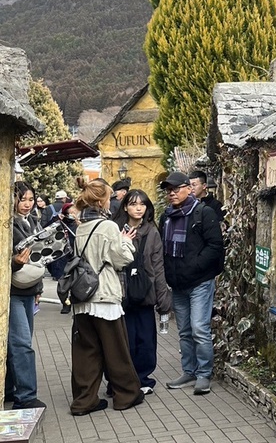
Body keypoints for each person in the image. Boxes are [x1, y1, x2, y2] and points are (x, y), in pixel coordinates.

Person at [69, 177, 144, 416]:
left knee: (86, 353)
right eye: (109, 198)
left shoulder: (81, 228)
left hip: (83, 297)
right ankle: (126, 395)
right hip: (104, 295)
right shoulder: (108, 226)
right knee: (116, 349)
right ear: (101, 201)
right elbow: (121, 259)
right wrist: (127, 242)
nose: (111, 202)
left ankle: (84, 400)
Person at [159, 171, 224, 395]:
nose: (172, 193)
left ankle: (204, 374)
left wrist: (195, 266)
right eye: (169, 190)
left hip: (200, 282)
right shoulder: (166, 217)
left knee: (199, 329)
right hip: (177, 284)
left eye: (176, 189)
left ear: (188, 188)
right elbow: (163, 249)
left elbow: (215, 246)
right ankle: (189, 371)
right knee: (185, 331)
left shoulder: (203, 213)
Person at [112, 189, 172, 395]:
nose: (138, 208)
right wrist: (122, 242)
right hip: (121, 293)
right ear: (125, 207)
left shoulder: (152, 232)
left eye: (142, 204)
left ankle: (142, 378)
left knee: (145, 340)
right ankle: (120, 381)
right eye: (133, 204)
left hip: (145, 293)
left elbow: (158, 267)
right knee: (123, 340)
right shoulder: (114, 229)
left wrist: (163, 300)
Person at [8, 181, 47, 410]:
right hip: (12, 292)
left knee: (19, 343)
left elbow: (38, 258)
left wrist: (38, 289)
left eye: (30, 199)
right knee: (21, 343)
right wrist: (14, 263)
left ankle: (10, 389)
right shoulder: (7, 223)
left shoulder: (32, 221)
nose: (27, 204)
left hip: (29, 290)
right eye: (22, 199)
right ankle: (25, 396)